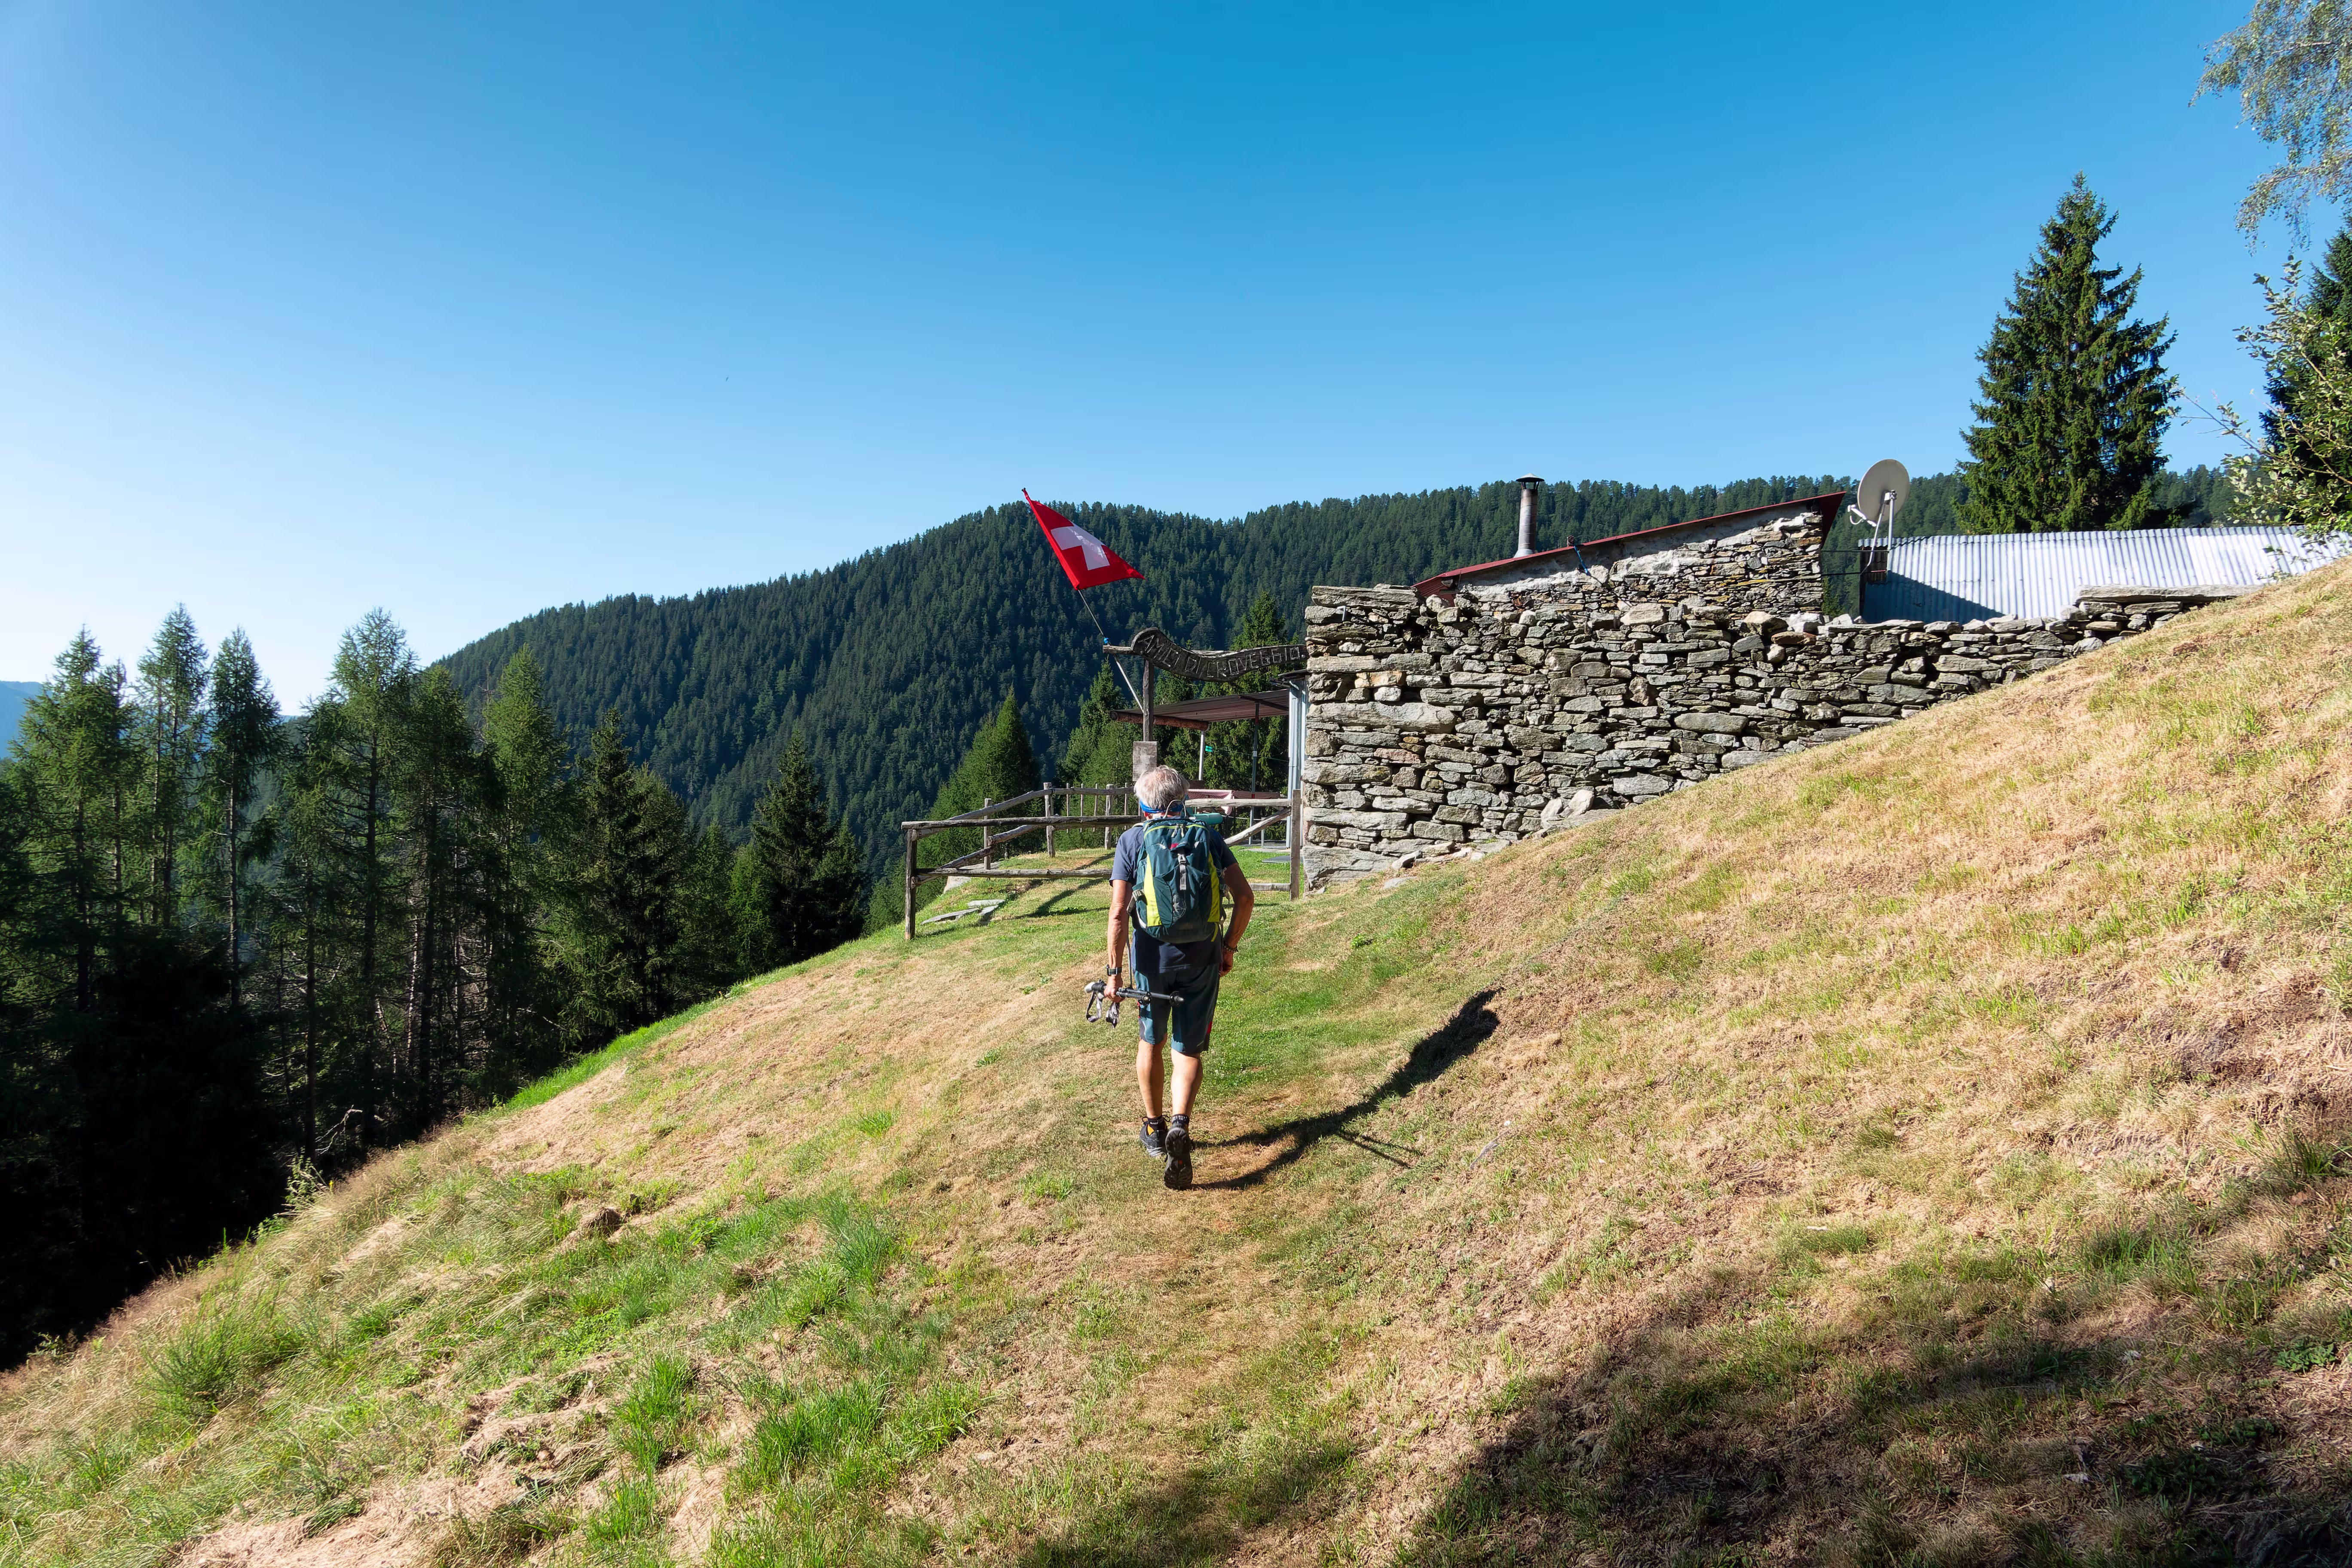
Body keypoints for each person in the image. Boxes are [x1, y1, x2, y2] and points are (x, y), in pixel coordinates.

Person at [1106, 764, 1254, 1190]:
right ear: (1183, 799)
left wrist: (1115, 974)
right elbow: (1244, 898)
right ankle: (1181, 1124)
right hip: (1203, 957)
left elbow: (1119, 914)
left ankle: (1155, 1130)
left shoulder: (1133, 840)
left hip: (1153, 961)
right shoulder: (1207, 837)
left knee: (1151, 1039)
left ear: (1144, 805)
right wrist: (1227, 948)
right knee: (1188, 1049)